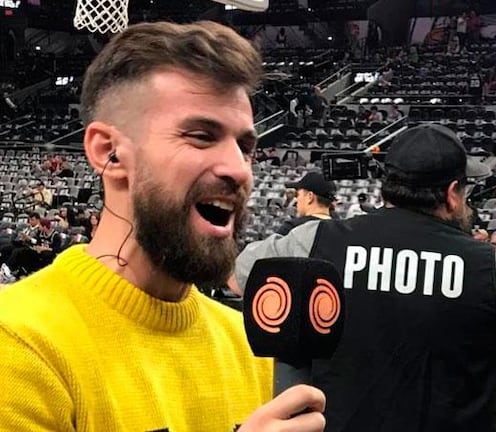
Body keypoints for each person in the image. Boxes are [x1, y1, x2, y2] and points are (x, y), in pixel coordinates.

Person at [0, 21, 325, 431]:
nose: (238, 169)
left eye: (245, 146)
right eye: (201, 136)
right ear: (109, 153)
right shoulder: (18, 342)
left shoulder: (248, 345)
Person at [235, 123, 496, 431]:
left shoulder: (315, 240)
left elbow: (240, 275)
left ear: (387, 186)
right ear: (451, 194)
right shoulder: (494, 269)